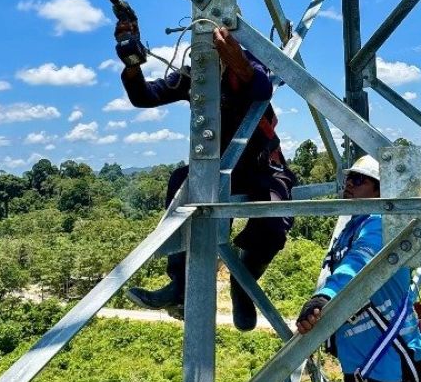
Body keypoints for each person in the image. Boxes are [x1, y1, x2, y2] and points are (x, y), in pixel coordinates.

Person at [116, 19, 295, 331]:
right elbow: (143, 95)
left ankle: (243, 282)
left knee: (272, 224)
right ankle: (181, 286)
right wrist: (132, 62)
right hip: (220, 168)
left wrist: (231, 55)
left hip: (262, 165)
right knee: (182, 183)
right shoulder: (196, 76)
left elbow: (262, 88)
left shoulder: (246, 60)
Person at [296, 155, 421, 382]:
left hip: (386, 368)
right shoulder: (355, 223)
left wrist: (324, 298)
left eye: (358, 180)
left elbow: (358, 264)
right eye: (349, 178)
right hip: (366, 365)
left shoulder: (380, 223)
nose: (348, 185)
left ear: (380, 189)